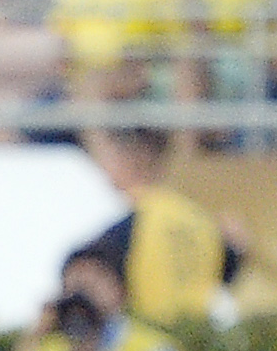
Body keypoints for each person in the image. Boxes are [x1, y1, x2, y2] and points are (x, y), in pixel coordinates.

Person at [83, 125, 240, 328]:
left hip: (148, 332)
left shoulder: (129, 219)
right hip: (198, 330)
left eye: (111, 158)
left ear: (132, 160)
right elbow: (227, 268)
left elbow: (93, 271)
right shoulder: (198, 218)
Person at [15, 245, 179, 351]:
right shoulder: (50, 350)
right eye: (76, 284)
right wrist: (37, 333)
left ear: (119, 291)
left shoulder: (152, 350)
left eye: (93, 284)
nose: (84, 295)